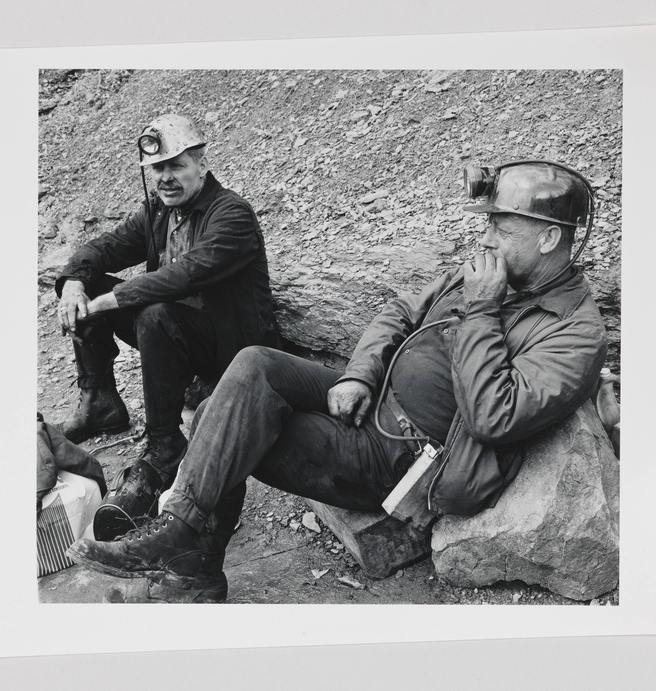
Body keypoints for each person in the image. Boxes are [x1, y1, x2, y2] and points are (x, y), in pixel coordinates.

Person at [67, 160, 608, 603]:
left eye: (500, 227)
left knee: (220, 418)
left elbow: (496, 416)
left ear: (548, 239)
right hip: (369, 402)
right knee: (253, 366)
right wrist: (359, 374)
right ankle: (187, 542)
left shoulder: (575, 333)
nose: (484, 237)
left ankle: (192, 561)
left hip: (401, 455)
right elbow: (399, 312)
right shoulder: (496, 270)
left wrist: (484, 311)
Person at [53, 113, 280, 541]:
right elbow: (104, 247)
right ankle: (99, 399)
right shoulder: (159, 211)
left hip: (230, 350)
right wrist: (77, 283)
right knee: (91, 288)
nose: (166, 177)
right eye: (158, 168)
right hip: (176, 336)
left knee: (152, 312)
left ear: (201, 163)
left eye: (177, 165)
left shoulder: (231, 214)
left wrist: (108, 301)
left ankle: (163, 446)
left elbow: (186, 276)